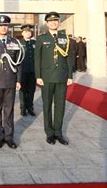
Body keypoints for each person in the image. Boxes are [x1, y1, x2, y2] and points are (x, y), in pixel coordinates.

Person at [35, 12, 74, 146]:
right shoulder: (41, 38)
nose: (53, 23)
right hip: (46, 78)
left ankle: (58, 132)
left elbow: (69, 58)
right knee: (47, 106)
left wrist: (70, 76)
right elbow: (37, 59)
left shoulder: (65, 38)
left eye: (55, 21)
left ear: (59, 23)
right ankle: (49, 133)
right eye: (50, 21)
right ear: (47, 23)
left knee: (60, 106)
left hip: (61, 77)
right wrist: (38, 76)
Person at [0, 15, 23, 149]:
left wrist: (18, 80)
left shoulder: (14, 42)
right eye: (1, 25)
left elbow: (18, 63)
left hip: (11, 81)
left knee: (9, 110)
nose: (3, 27)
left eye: (6, 25)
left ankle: (9, 137)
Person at [19, 24, 36, 117]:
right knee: (22, 90)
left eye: (29, 31)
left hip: (33, 71)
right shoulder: (19, 42)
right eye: (26, 31)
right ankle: (23, 108)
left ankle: (30, 107)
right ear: (22, 33)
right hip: (22, 71)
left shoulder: (35, 43)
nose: (28, 33)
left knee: (31, 90)